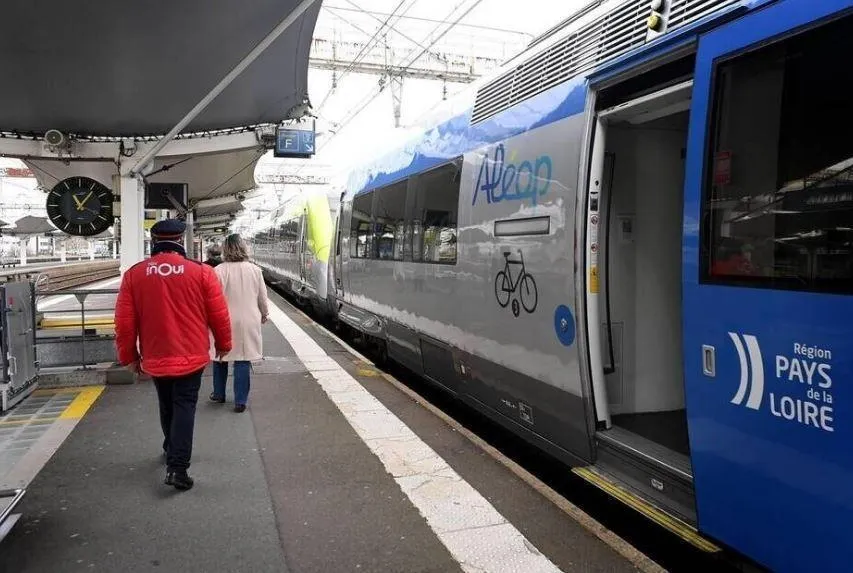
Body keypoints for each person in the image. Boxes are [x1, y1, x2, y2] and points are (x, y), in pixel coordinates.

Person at [115, 219, 232, 491]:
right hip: (191, 353)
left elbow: (124, 322)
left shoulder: (135, 274)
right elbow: (219, 314)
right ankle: (177, 468)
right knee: (184, 406)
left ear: (154, 241)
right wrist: (224, 343)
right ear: (181, 240)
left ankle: (171, 447)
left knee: (166, 403)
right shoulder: (201, 272)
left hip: (156, 353)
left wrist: (129, 356)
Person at [210, 233, 269, 413]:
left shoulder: (218, 271)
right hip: (248, 320)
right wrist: (264, 314)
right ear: (243, 248)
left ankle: (219, 394)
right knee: (243, 358)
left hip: (223, 319)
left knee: (220, 356)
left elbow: (212, 299)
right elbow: (262, 297)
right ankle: (240, 401)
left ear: (225, 249)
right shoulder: (255, 270)